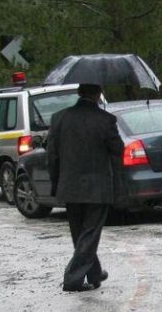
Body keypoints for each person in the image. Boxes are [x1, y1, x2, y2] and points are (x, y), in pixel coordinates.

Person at [47, 83, 123, 292]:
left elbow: (51, 155)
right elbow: (118, 150)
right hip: (97, 187)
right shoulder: (106, 120)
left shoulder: (59, 118)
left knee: (80, 233)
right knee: (89, 233)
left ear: (79, 93)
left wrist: (56, 182)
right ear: (98, 94)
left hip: (69, 186)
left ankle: (94, 273)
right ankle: (73, 279)